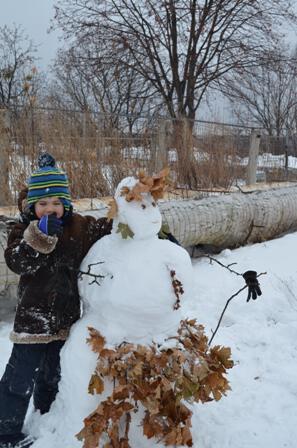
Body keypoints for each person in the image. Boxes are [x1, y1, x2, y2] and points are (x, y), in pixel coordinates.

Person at [0, 153, 113, 448]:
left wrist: (148, 232)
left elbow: (106, 232)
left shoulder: (79, 227)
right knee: (19, 380)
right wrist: (37, 238)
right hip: (32, 322)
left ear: (66, 203)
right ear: (32, 206)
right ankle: (6, 432)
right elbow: (17, 262)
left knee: (52, 375)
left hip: (65, 319)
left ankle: (45, 418)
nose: (50, 210)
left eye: (56, 204)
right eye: (42, 204)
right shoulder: (22, 231)